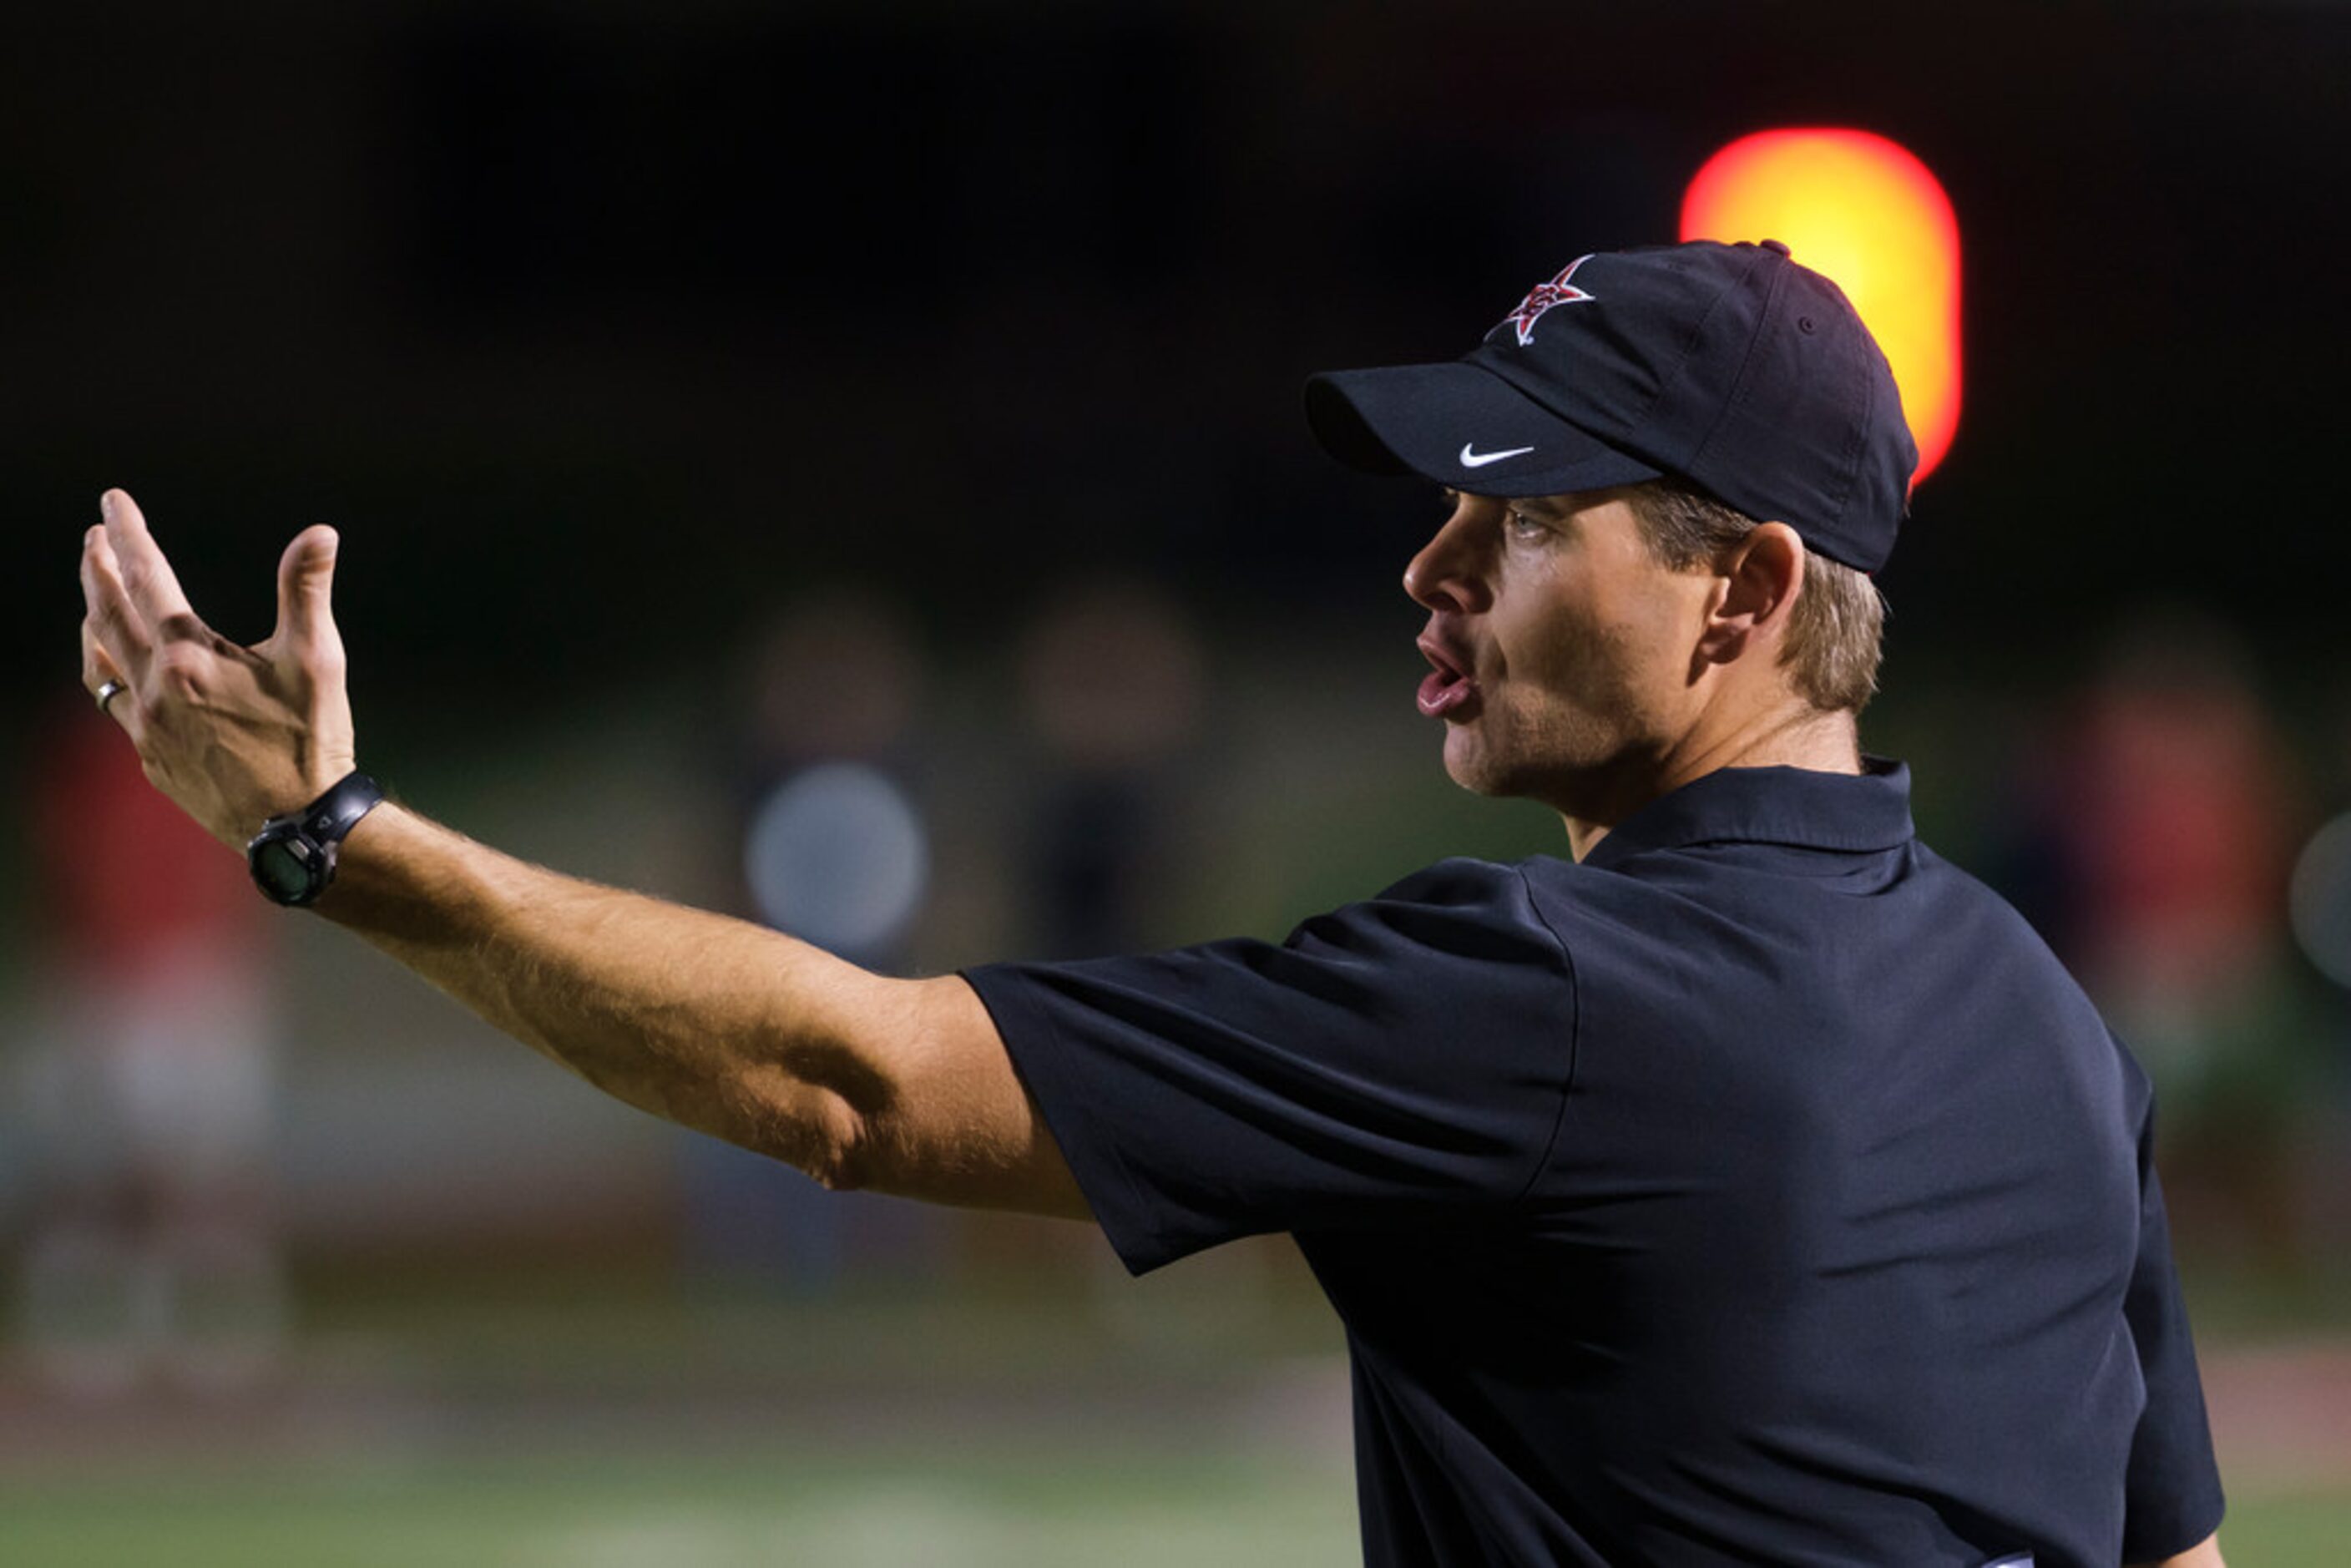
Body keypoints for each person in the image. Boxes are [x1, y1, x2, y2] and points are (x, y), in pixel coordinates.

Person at [76, 239, 2224, 1566]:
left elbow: (853, 1086)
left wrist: (339, 840)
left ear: (1744, 591)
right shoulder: (2052, 1022)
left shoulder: (1552, 994)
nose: (1433, 569)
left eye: (1524, 525)